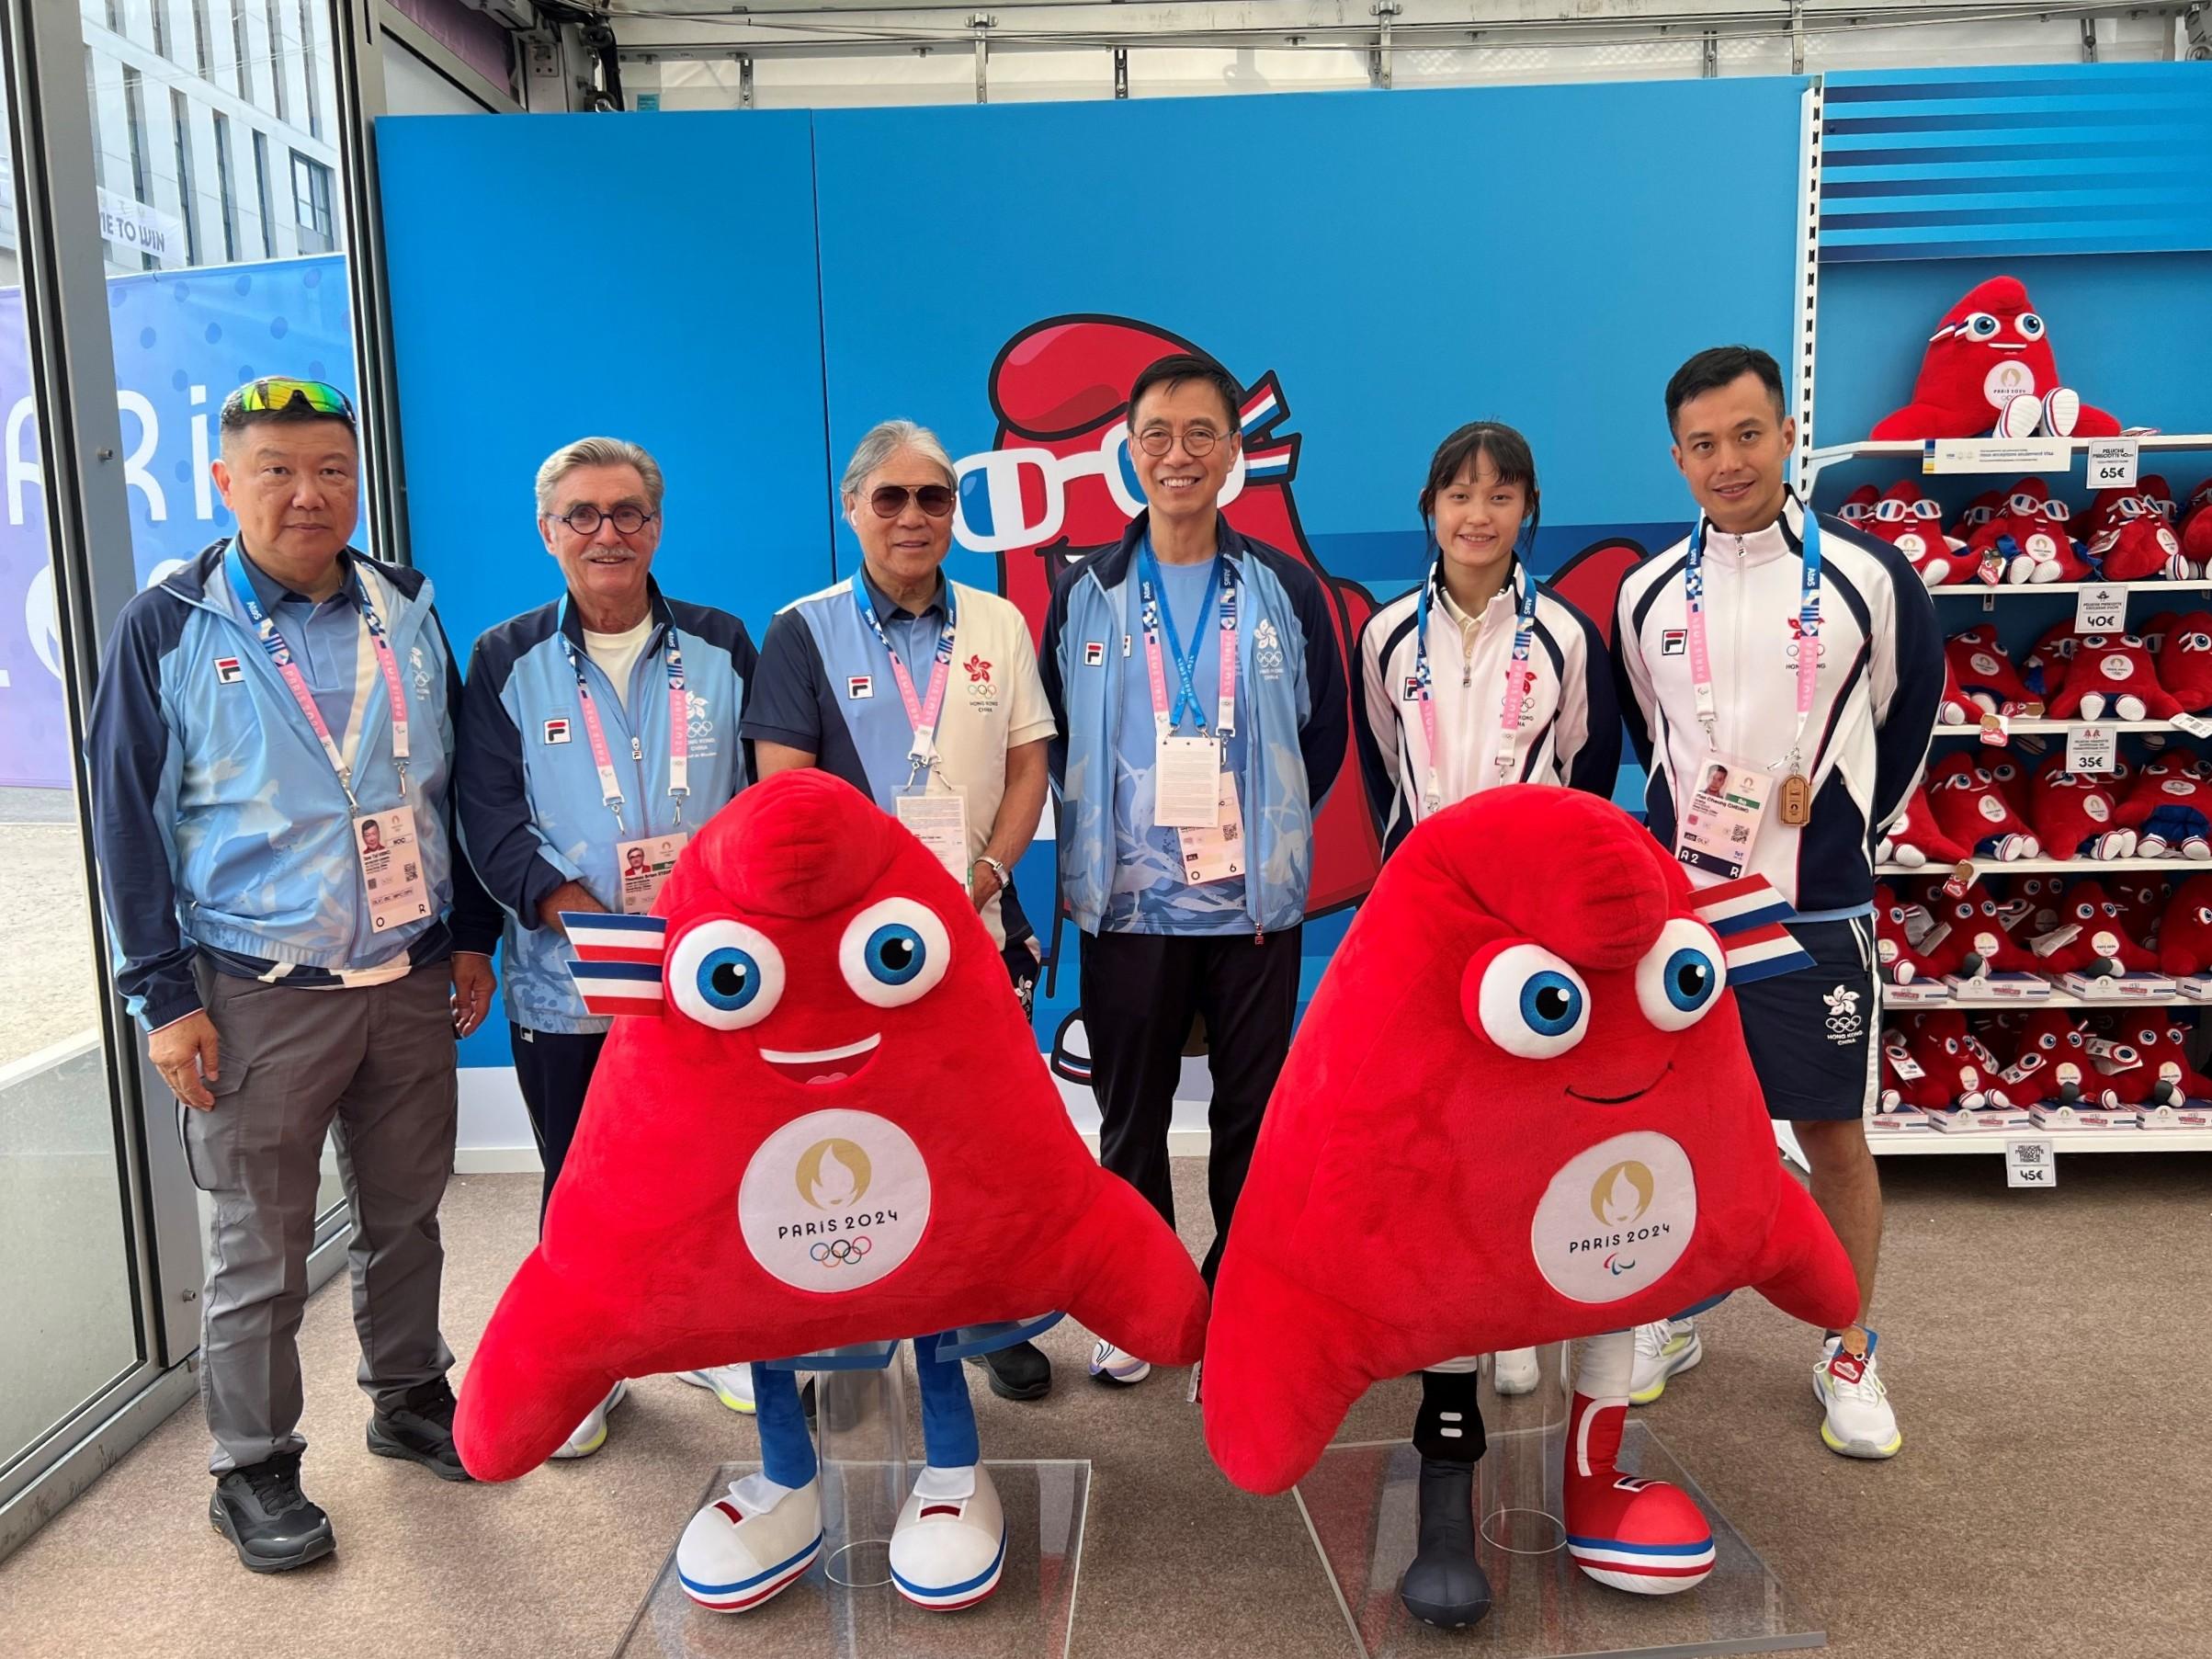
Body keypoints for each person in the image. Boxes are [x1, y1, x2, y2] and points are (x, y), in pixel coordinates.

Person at [84, 377, 502, 1574]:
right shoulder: (169, 621)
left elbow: (447, 781)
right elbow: (125, 822)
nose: (308, 494)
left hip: (410, 976)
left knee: (405, 1214)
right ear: (225, 484)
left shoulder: (403, 604)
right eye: (276, 470)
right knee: (257, 1251)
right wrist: (162, 999)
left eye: (330, 469)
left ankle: (409, 1395)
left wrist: (469, 930)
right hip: (255, 989)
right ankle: (252, 1467)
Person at [1613, 346, 1941, 1459]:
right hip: (1688, 918)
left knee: (1832, 1134)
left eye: (1746, 434)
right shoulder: (1644, 593)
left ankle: (1848, 1343)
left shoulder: (1867, 574)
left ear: (1787, 431)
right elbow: (1643, 738)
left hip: (1812, 908)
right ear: (1676, 458)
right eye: (1702, 444)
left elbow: (1907, 726)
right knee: (1666, 1129)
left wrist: (1838, 831)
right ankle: (1664, 1311)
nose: (1727, 461)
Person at [1353, 419, 1619, 1626]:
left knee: (1524, 1137)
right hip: (1425, 930)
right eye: (1456, 492)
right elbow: (1377, 777)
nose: (1475, 513)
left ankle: (1515, 1315)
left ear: (1525, 511)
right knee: (1436, 1142)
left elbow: (1589, 770)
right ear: (1428, 506)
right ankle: (1454, 1337)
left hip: (1527, 937)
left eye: (1498, 495)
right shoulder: (1383, 637)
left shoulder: (1564, 635)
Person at [1039, 352, 1348, 1386]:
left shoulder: (1284, 591)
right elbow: (1052, 734)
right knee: (1130, 1111)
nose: (1179, 455)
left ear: (1233, 454)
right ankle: (1141, 1301)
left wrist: (1257, 831)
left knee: (1253, 1115)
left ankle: (1239, 1295)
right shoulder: (1081, 592)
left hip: (1251, 905)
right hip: (1124, 906)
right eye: (1157, 435)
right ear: (1129, 453)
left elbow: (1324, 738)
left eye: (1201, 434)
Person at [742, 418, 1059, 1403]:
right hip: (855, 954)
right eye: (891, 497)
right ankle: (868, 1310)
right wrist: (874, 913)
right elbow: (784, 795)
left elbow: (1026, 765)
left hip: (976, 926)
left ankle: (983, 1311)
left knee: (978, 1133)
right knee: (868, 1135)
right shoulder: (803, 628)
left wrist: (987, 882)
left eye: (933, 497)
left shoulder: (998, 622)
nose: (913, 517)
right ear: (852, 509)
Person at [457, 436, 759, 1455]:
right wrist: (588, 919)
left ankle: (717, 1337)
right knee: (582, 1175)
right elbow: (490, 821)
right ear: (548, 534)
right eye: (581, 515)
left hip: (710, 978)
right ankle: (589, 1361)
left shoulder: (724, 644)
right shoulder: (503, 659)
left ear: (657, 526)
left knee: (716, 1165)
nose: (607, 533)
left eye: (627, 512)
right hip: (567, 977)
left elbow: (761, 801)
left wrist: (709, 925)